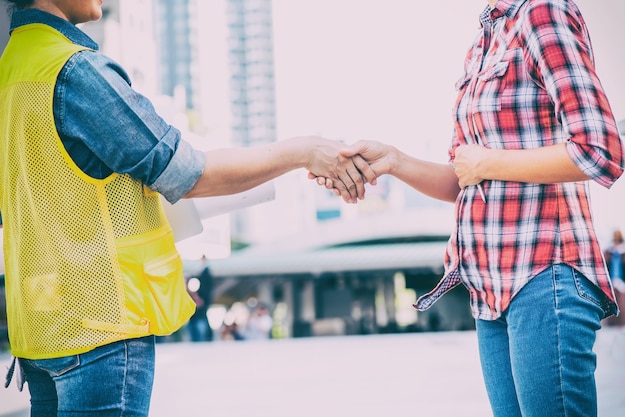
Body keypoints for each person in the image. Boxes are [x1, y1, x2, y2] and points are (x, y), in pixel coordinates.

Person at [0, 1, 376, 415]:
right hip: (103, 329)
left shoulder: (11, 70)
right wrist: (303, 151)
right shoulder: (75, 72)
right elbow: (187, 172)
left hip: (41, 332)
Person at [314, 0, 624, 415]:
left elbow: (600, 150)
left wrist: (489, 162)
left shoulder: (543, 12)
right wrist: (394, 162)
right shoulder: (486, 37)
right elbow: (466, 179)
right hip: (490, 290)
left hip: (544, 277)